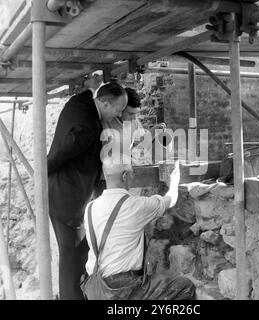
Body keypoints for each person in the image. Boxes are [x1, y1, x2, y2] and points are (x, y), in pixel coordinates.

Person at [47, 78, 128, 300]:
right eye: (118, 109)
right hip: (68, 200)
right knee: (73, 256)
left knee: (74, 255)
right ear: (104, 103)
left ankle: (74, 294)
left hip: (60, 193)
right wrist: (43, 170)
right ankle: (71, 297)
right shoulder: (89, 125)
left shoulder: (78, 102)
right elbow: (65, 150)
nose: (118, 115)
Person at [82, 159, 195, 300]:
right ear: (124, 176)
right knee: (184, 286)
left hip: (95, 287)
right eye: (131, 173)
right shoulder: (135, 206)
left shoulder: (90, 207)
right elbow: (170, 200)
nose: (133, 176)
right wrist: (174, 180)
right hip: (122, 290)